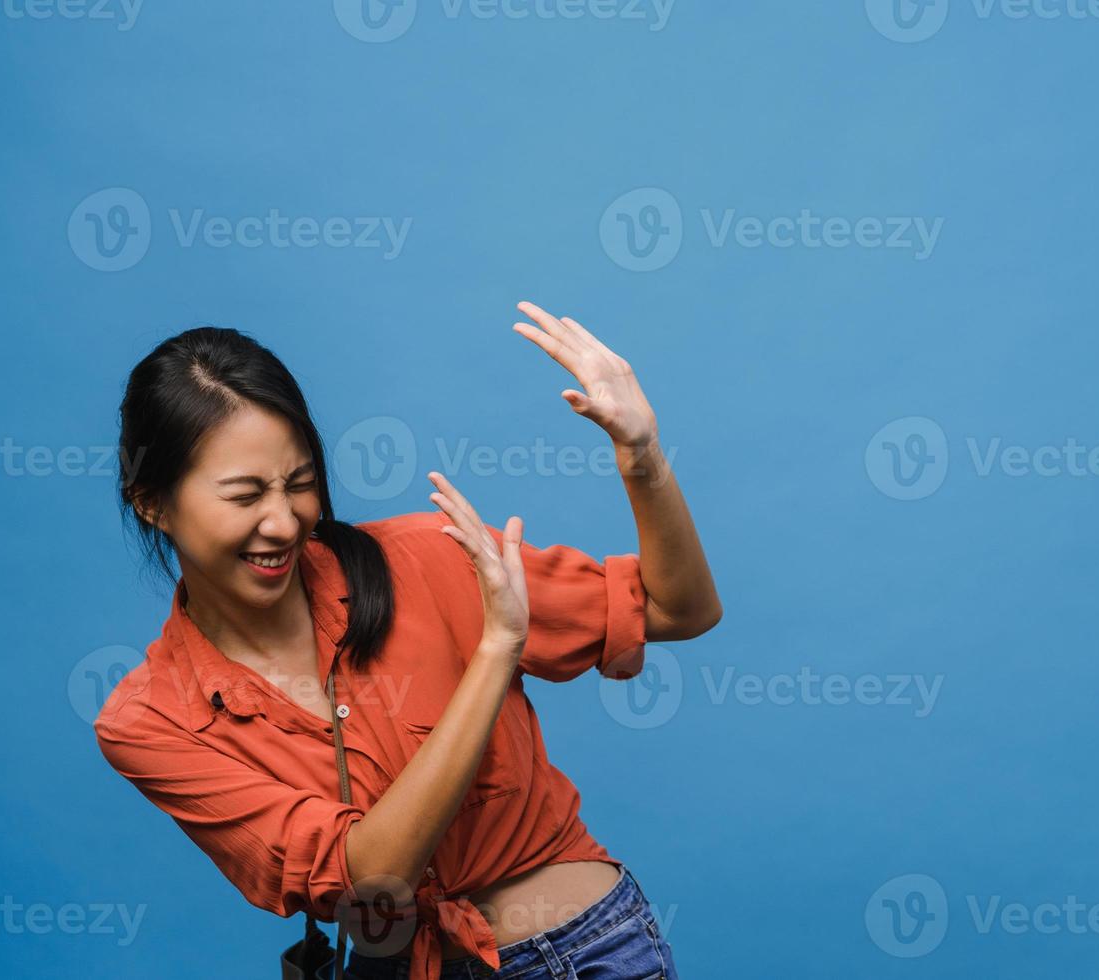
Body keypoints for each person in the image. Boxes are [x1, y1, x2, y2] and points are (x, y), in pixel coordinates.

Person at [93, 301, 721, 980]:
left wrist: (641, 453)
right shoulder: (150, 722)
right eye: (245, 496)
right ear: (152, 501)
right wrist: (495, 653)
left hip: (584, 951)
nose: (283, 521)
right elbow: (373, 877)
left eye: (301, 484)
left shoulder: (430, 557)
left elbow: (677, 610)